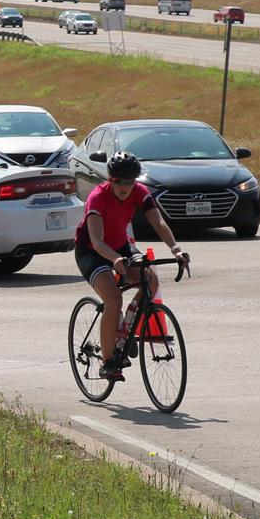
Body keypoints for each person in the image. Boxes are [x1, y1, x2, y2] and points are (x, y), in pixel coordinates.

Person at [75, 152, 189, 381]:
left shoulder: (139, 192)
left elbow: (158, 222)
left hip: (121, 246)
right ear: (110, 178)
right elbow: (96, 241)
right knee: (113, 298)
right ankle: (107, 362)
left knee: (151, 280)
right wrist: (115, 260)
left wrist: (176, 249)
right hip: (92, 251)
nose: (125, 187)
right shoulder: (98, 197)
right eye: (120, 181)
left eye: (130, 182)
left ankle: (126, 329)